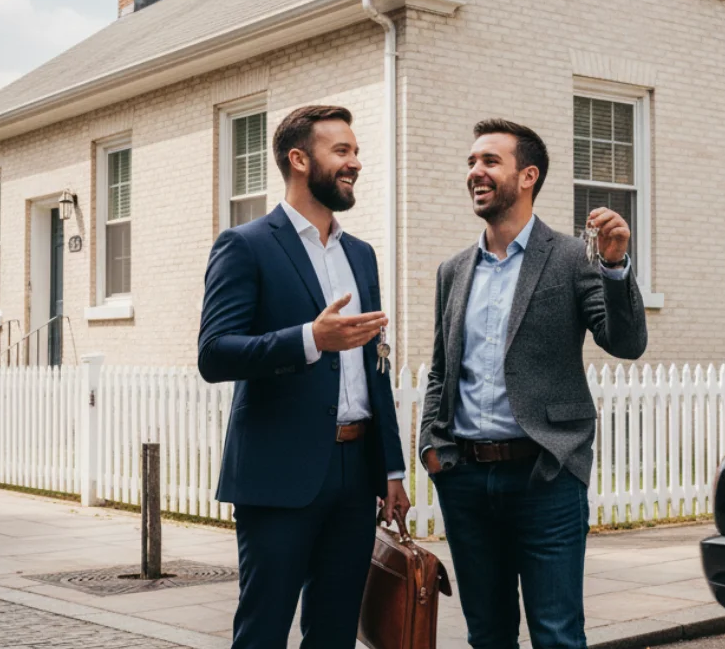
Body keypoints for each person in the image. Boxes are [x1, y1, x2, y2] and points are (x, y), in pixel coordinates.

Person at [419, 118, 648, 648]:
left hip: (546, 476)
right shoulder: (453, 271)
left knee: (557, 635)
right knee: (488, 635)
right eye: (471, 162)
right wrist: (433, 447)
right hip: (467, 481)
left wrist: (615, 269)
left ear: (528, 176)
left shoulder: (572, 258)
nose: (475, 171)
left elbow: (627, 342)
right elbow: (440, 370)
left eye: (489, 162)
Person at [198, 105, 410, 649]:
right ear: (298, 159)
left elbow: (375, 365)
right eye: (342, 151)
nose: (355, 162)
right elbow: (215, 354)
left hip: (355, 473)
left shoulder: (361, 256)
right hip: (279, 476)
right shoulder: (245, 245)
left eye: (356, 152)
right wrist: (310, 339)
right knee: (263, 630)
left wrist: (391, 468)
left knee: (336, 632)